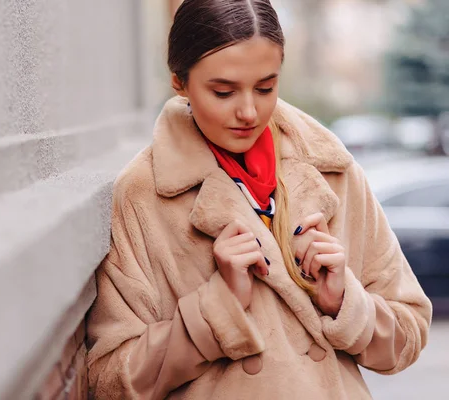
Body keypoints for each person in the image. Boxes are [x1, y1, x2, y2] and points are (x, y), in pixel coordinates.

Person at [86, 0, 433, 399]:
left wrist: (344, 302)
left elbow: (409, 335)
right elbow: (111, 380)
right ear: (179, 82)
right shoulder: (143, 194)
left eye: (266, 87)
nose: (249, 111)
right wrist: (217, 308)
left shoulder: (332, 170)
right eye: (223, 91)